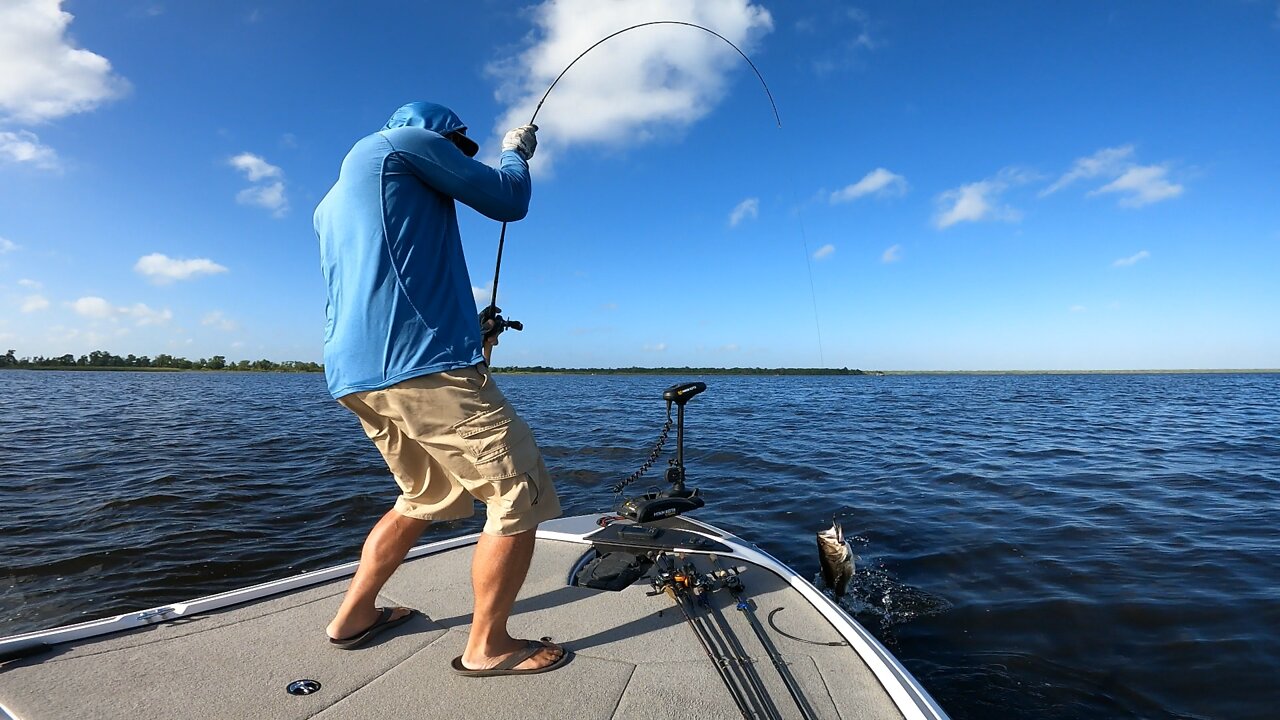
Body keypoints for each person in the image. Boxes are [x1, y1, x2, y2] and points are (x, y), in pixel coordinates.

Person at [313, 101, 567, 676]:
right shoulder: (400, 144)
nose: (459, 160)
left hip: (357, 374)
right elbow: (508, 199)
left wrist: (466, 329)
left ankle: (353, 615)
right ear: (439, 135)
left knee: (424, 496)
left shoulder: (331, 204)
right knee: (516, 491)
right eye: (458, 147)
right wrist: (514, 154)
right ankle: (488, 647)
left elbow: (387, 279)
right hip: (421, 365)